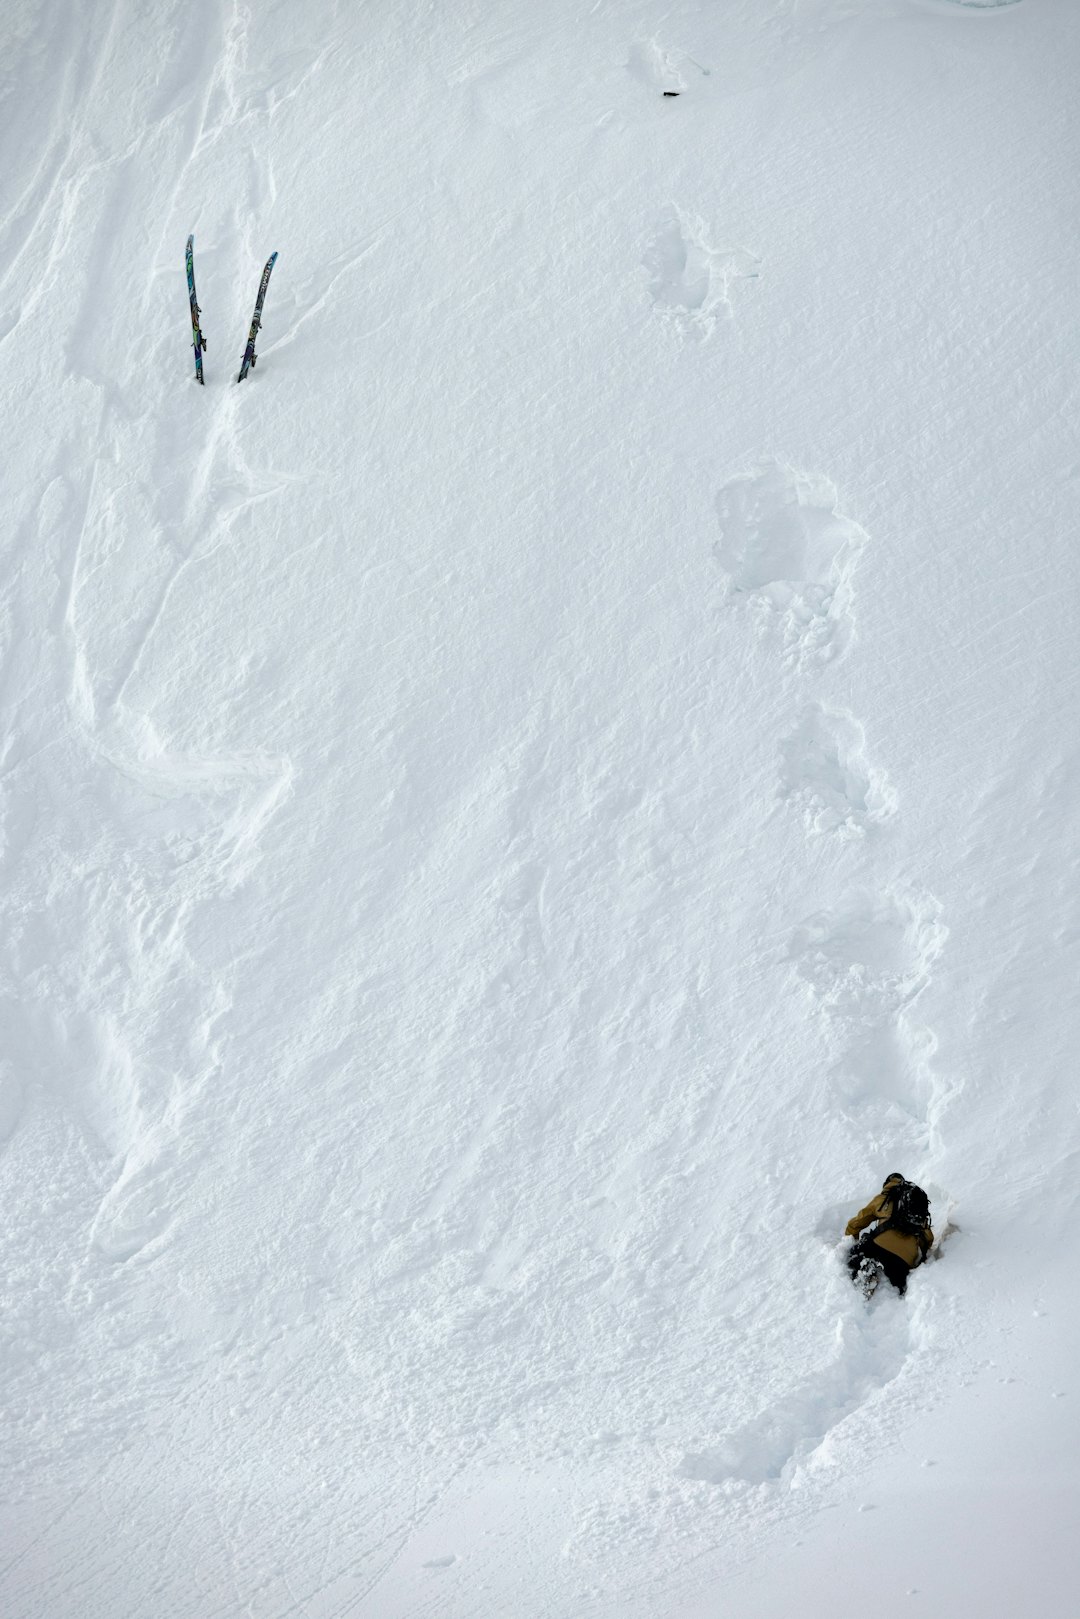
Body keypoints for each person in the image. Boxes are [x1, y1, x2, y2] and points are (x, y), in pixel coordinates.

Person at [845, 1173, 933, 1297]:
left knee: (855, 1254)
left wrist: (851, 1239)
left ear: (887, 1184)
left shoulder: (883, 1198)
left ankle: (866, 1272)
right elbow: (928, 1239)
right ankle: (898, 1291)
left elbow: (856, 1223)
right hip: (904, 1261)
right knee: (897, 1285)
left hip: (879, 1246)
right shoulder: (915, 1205)